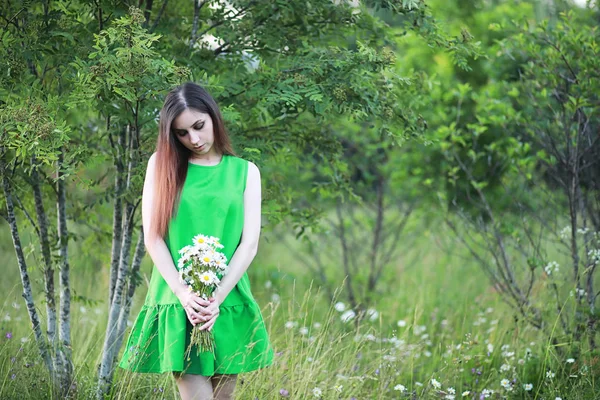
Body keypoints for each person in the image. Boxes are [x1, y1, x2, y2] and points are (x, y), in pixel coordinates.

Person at [119, 82, 274, 400]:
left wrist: (215, 298)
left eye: (199, 126)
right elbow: (153, 237)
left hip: (226, 298)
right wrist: (185, 295)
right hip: (179, 300)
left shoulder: (245, 172)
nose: (194, 139)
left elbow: (249, 244)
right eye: (182, 133)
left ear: (214, 117)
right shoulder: (161, 166)